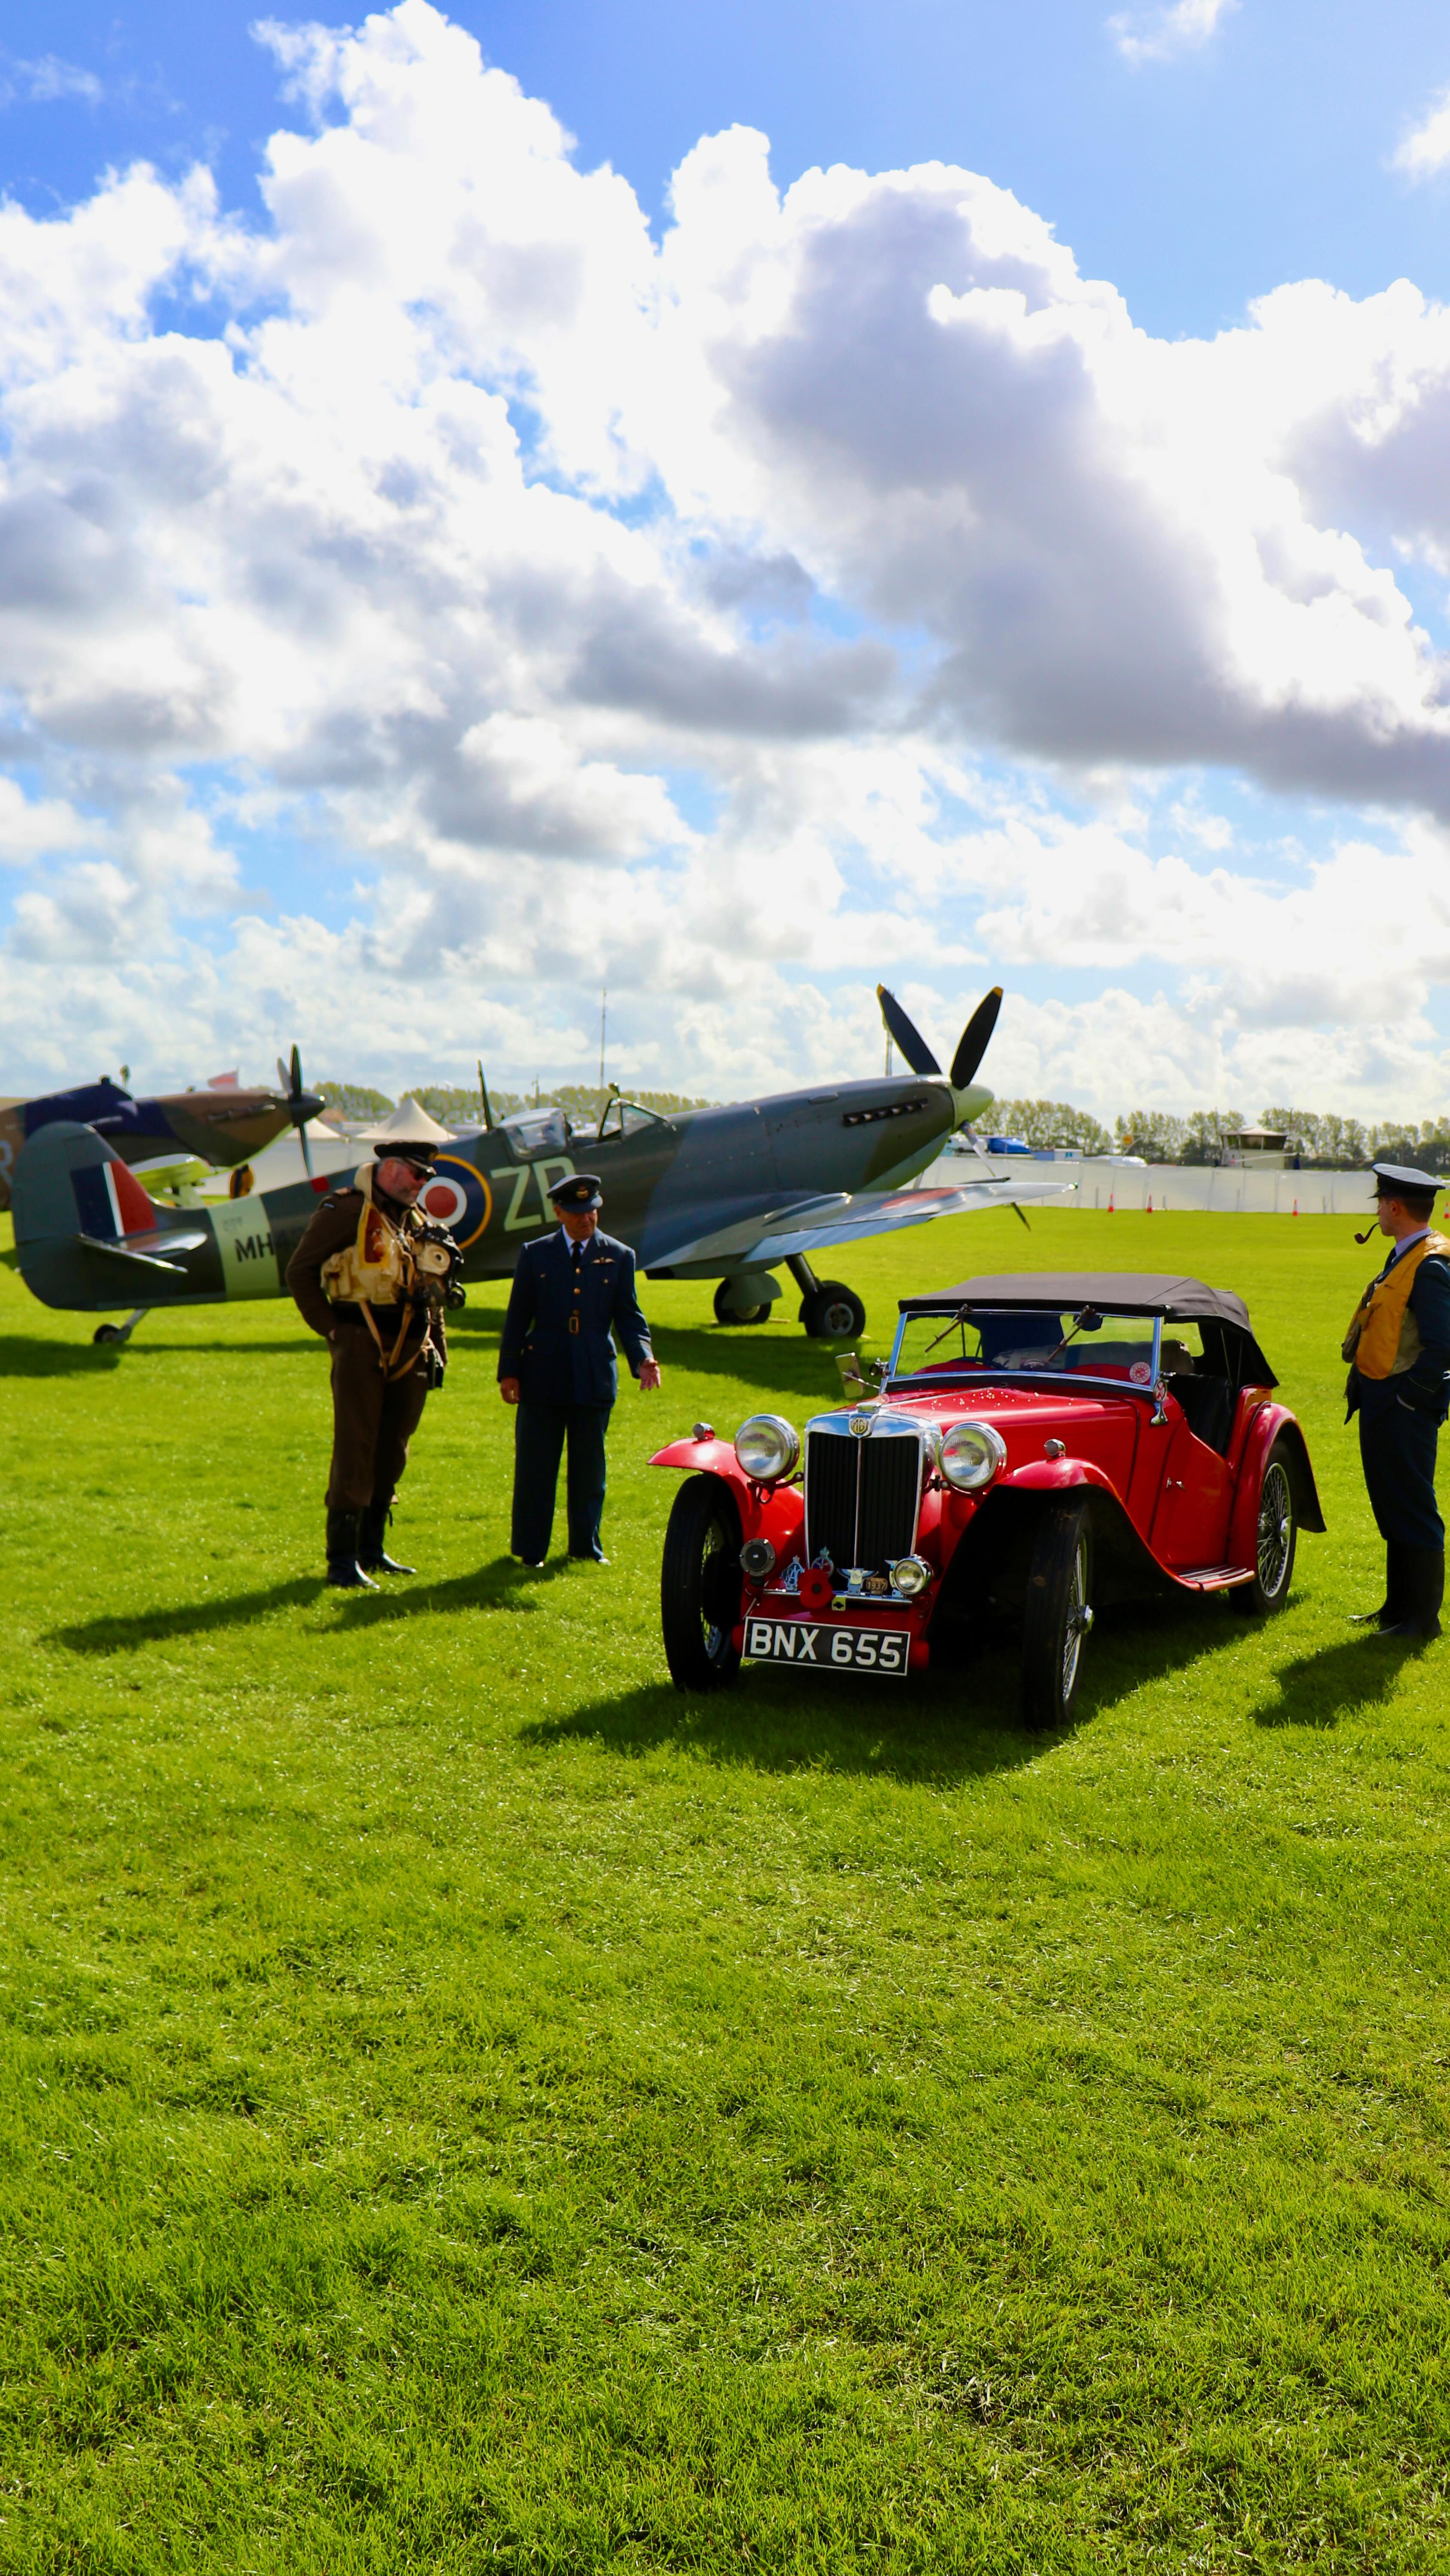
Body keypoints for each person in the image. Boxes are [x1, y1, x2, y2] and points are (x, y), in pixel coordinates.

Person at [286, 1141, 451, 1588]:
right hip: (361, 1341)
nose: (423, 1183)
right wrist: (332, 1329)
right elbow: (299, 1271)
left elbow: (429, 1290)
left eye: (427, 1177)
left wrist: (437, 1346)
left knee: (394, 1445)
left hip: (410, 1346)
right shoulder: (345, 1211)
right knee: (356, 1444)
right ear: (391, 1168)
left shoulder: (414, 1221)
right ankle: (341, 1561)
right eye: (418, 1174)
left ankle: (371, 1549)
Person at [497, 1172, 661, 1565]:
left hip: (592, 1373)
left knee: (589, 1471)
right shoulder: (535, 1253)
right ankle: (531, 1550)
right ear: (559, 1213)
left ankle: (585, 1549)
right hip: (543, 1373)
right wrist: (509, 1371)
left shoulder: (620, 1256)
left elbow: (629, 1317)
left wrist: (643, 1358)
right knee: (536, 1468)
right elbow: (518, 1317)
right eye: (577, 1213)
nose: (586, 1219)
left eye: (591, 1211)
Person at [1343, 1160, 1450, 1639]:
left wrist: (1411, 1400)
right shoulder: (1405, 1253)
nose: (1378, 1212)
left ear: (1393, 1206)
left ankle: (1421, 1620)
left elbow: (1442, 1345)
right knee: (1392, 1503)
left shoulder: (1429, 1263)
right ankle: (1397, 1609)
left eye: (1380, 1204)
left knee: (1412, 1506)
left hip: (1403, 1405)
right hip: (1383, 1398)